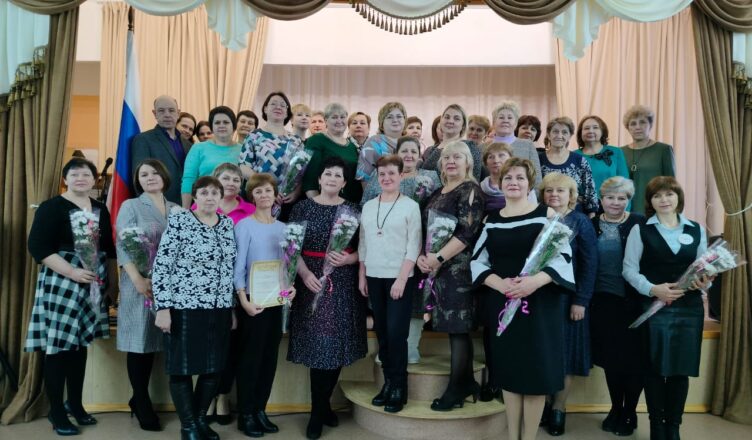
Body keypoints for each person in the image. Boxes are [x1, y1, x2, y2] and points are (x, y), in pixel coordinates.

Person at [471, 157, 575, 440]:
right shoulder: (491, 220)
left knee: (535, 376)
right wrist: (500, 284)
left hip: (539, 306)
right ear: (500, 183)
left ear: (530, 184)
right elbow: (477, 262)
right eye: (508, 178)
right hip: (503, 304)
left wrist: (533, 283)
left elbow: (563, 258)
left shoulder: (547, 214)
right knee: (510, 373)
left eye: (520, 177)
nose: (513, 182)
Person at [26, 158, 118, 436]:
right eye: (74, 174)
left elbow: (108, 248)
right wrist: (72, 272)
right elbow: (38, 246)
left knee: (80, 345)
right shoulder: (51, 207)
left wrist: (111, 284)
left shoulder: (100, 208)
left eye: (86, 174)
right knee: (59, 347)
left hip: (93, 280)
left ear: (93, 180)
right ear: (65, 179)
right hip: (63, 278)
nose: (81, 178)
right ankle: (56, 412)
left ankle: (75, 405)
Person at [622, 176, 709, 440]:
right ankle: (657, 429)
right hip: (654, 308)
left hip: (689, 308)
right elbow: (629, 270)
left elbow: (704, 270)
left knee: (681, 371)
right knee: (655, 370)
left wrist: (705, 282)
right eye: (657, 195)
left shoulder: (696, 229)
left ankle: (674, 428)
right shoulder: (640, 230)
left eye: (669, 194)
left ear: (678, 197)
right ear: (650, 201)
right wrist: (653, 289)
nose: (664, 199)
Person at [288, 157, 368, 439]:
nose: (332, 178)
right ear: (319, 179)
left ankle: (321, 407)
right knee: (318, 346)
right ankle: (318, 411)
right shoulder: (302, 208)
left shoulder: (354, 210)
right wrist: (304, 274)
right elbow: (292, 247)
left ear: (344, 183)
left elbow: (365, 249)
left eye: (338, 175)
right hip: (310, 281)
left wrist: (349, 260)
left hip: (342, 283)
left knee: (335, 346)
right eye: (328, 174)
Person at [152, 176, 237, 440]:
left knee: (214, 368)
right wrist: (163, 308)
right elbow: (162, 265)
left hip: (219, 308)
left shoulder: (227, 224)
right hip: (184, 306)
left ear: (221, 197)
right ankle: (188, 425)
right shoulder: (180, 220)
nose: (210, 197)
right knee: (182, 368)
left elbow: (229, 269)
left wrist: (232, 307)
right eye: (204, 192)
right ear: (196, 196)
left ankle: (200, 419)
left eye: (215, 193)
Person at [417, 141, 485, 411]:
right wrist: (424, 256)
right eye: (447, 158)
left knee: (459, 329)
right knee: (453, 328)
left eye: (458, 157)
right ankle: (467, 383)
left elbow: (466, 234)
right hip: (437, 267)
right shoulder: (438, 191)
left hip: (458, 269)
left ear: (468, 163)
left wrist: (438, 258)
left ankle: (456, 389)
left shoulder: (470, 190)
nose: (451, 161)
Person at [361, 137, 440, 363]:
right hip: (386, 254)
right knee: (387, 314)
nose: (409, 155)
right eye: (404, 150)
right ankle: (389, 356)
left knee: (411, 304)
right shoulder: (379, 185)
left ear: (420, 155)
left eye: (413, 150)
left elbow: (438, 209)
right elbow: (366, 224)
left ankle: (409, 349)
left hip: (420, 250)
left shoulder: (430, 178)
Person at [116, 159, 178, 432]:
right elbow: (123, 244)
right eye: (144, 174)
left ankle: (141, 397)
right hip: (140, 283)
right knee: (140, 342)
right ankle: (140, 400)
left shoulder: (177, 209)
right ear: (138, 180)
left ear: (164, 177)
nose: (150, 177)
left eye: (155, 173)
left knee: (159, 341)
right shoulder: (131, 206)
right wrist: (138, 279)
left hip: (171, 286)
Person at [233, 173, 296, 437]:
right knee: (251, 359)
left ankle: (260, 409)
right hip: (253, 302)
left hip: (275, 302)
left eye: (268, 190)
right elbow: (238, 267)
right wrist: (243, 300)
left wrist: (291, 286)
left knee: (269, 358)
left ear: (275, 194)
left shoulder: (284, 229)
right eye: (258, 191)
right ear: (252, 196)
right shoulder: (244, 226)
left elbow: (288, 265)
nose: (263, 195)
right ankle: (245, 414)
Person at [359, 155, 422, 413]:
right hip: (374, 276)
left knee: (397, 334)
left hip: (400, 277)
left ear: (401, 175)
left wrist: (401, 278)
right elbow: (363, 243)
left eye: (391, 174)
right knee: (383, 334)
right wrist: (362, 275)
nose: (386, 178)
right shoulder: (368, 206)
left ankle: (399, 387)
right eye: (382, 174)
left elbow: (414, 245)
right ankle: (388, 384)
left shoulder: (410, 206)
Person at [538, 173, 598, 436]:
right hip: (539, 298)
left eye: (560, 190)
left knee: (567, 356)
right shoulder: (537, 217)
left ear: (571, 195)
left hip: (568, 300)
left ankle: (558, 408)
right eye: (549, 190)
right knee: (543, 353)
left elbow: (589, 264)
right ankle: (542, 404)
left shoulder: (580, 221)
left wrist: (581, 300)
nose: (554, 194)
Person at [197, 163, 255, 425]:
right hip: (208, 289)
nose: (231, 183)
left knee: (232, 346)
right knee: (209, 345)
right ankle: (206, 397)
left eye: (236, 179)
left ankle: (222, 395)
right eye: (226, 178)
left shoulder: (250, 210)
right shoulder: (200, 207)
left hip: (242, 287)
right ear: (215, 181)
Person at [590, 176, 646, 436]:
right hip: (603, 302)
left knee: (634, 361)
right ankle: (615, 408)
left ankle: (630, 411)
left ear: (629, 200)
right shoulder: (591, 224)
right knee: (611, 361)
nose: (615, 202)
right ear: (601, 200)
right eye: (610, 197)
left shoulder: (639, 223)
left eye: (621, 198)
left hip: (634, 303)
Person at [238, 92, 303, 219]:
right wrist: (267, 188)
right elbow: (244, 167)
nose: (278, 107)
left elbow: (301, 170)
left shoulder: (296, 140)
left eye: (283, 105)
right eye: (273, 104)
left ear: (287, 113)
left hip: (286, 199)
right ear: (265, 109)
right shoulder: (254, 136)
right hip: (259, 196)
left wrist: (297, 191)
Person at [131, 95, 192, 204]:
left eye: (171, 110)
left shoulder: (188, 145)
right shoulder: (143, 140)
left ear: (178, 113)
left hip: (185, 205)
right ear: (155, 114)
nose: (167, 114)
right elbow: (140, 178)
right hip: (157, 205)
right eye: (161, 111)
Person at [181, 106, 242, 208]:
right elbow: (188, 180)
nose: (221, 125)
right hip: (204, 206)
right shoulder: (198, 148)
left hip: (234, 208)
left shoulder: (243, 150)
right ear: (212, 127)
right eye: (217, 122)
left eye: (226, 122)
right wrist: (185, 210)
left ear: (234, 126)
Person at [620, 105, 676, 215]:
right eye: (633, 124)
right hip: (626, 210)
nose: (638, 127)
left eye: (642, 122)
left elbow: (671, 185)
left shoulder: (663, 150)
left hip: (655, 209)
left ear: (650, 125)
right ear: (628, 128)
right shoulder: (620, 152)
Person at [302, 103, 364, 204]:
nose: (339, 121)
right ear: (326, 120)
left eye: (342, 117)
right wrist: (319, 206)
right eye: (334, 117)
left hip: (351, 204)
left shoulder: (352, 146)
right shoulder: (316, 140)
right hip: (325, 203)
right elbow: (310, 179)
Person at [539, 117, 599, 216]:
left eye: (564, 132)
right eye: (555, 131)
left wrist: (591, 216)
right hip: (545, 214)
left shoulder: (579, 160)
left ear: (570, 136)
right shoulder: (538, 160)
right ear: (548, 135)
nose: (559, 136)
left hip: (575, 215)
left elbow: (590, 191)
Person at [421, 104, 485, 181]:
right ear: (441, 121)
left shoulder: (470, 147)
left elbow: (474, 179)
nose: (450, 121)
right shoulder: (432, 149)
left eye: (456, 119)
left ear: (463, 125)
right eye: (447, 117)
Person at [573, 115, 629, 199]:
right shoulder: (573, 155)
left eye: (595, 127)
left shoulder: (616, 152)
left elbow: (625, 186)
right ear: (580, 133)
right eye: (586, 128)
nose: (590, 131)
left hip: (612, 204)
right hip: (582, 205)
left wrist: (625, 206)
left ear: (602, 131)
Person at [490, 101, 542, 184]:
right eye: (501, 117)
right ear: (493, 122)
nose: (505, 121)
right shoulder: (483, 147)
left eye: (510, 118)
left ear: (516, 123)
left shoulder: (528, 146)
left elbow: (536, 178)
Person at [356, 102, 407, 186]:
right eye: (389, 117)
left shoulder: (410, 142)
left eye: (399, 116)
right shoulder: (373, 142)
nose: (395, 120)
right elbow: (364, 177)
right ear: (381, 122)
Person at [479, 142, 537, 214]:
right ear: (486, 163)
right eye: (491, 157)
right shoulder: (480, 188)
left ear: (511, 159)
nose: (496, 161)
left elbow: (534, 213)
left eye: (501, 155)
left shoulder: (524, 186)